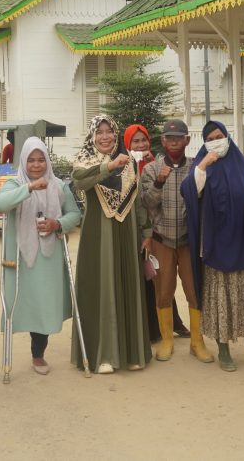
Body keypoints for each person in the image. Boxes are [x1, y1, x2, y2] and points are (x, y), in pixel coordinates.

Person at [182, 120, 244, 371]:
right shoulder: (202, 166)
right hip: (217, 245)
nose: (216, 142)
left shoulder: (242, 165)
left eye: (219, 136)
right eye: (210, 139)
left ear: (228, 137)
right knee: (220, 298)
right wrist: (203, 164)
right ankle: (223, 350)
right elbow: (188, 190)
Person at [71, 115, 151, 373]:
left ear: (116, 134)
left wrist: (146, 231)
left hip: (126, 232)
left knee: (128, 283)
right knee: (102, 285)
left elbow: (138, 199)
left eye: (109, 131)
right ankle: (103, 354)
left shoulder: (128, 162)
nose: (105, 137)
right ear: (92, 136)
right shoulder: (85, 160)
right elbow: (80, 181)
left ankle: (131, 352)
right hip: (98, 233)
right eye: (100, 132)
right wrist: (108, 167)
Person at [0, 137, 82, 375]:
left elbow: (74, 214)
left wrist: (57, 224)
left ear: (47, 161)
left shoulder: (59, 186)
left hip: (48, 258)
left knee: (44, 305)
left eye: (41, 160)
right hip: (20, 258)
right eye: (31, 160)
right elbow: (1, 204)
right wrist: (29, 188)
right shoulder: (14, 183)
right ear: (23, 161)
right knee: (21, 303)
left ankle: (38, 354)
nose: (36, 165)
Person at [141, 119, 202, 362]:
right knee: (163, 291)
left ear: (187, 139)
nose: (174, 141)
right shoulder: (151, 169)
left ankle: (197, 341)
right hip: (162, 240)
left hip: (190, 240)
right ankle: (167, 340)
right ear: (163, 141)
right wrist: (159, 181)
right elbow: (147, 203)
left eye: (179, 137)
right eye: (169, 137)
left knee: (194, 290)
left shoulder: (196, 167)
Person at [125, 123, 188, 343]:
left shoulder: (155, 165)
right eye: (135, 141)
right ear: (127, 144)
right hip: (136, 232)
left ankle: (172, 324)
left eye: (143, 140)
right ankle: (148, 330)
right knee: (145, 281)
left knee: (161, 280)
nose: (140, 145)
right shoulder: (124, 167)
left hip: (158, 233)